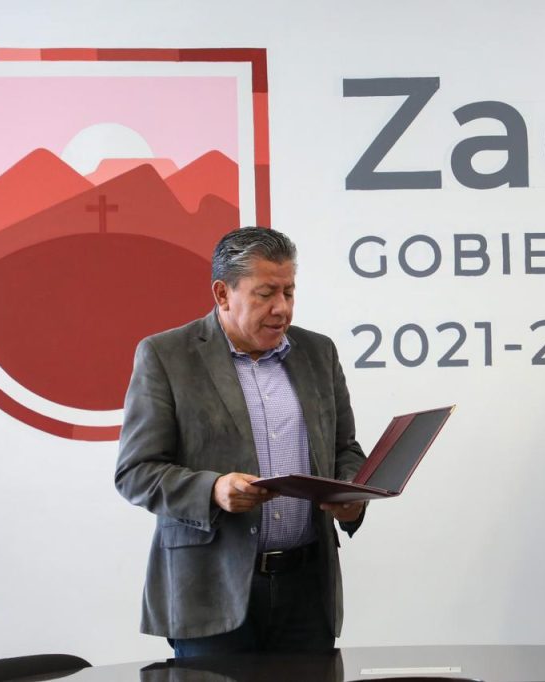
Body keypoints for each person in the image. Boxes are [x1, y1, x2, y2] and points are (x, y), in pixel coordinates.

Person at [115, 226, 367, 656]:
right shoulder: (166, 356)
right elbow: (136, 472)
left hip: (307, 592)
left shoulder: (318, 352)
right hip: (209, 591)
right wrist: (212, 489)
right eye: (265, 294)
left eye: (289, 292)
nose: (281, 308)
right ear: (222, 294)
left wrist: (350, 493)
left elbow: (345, 449)